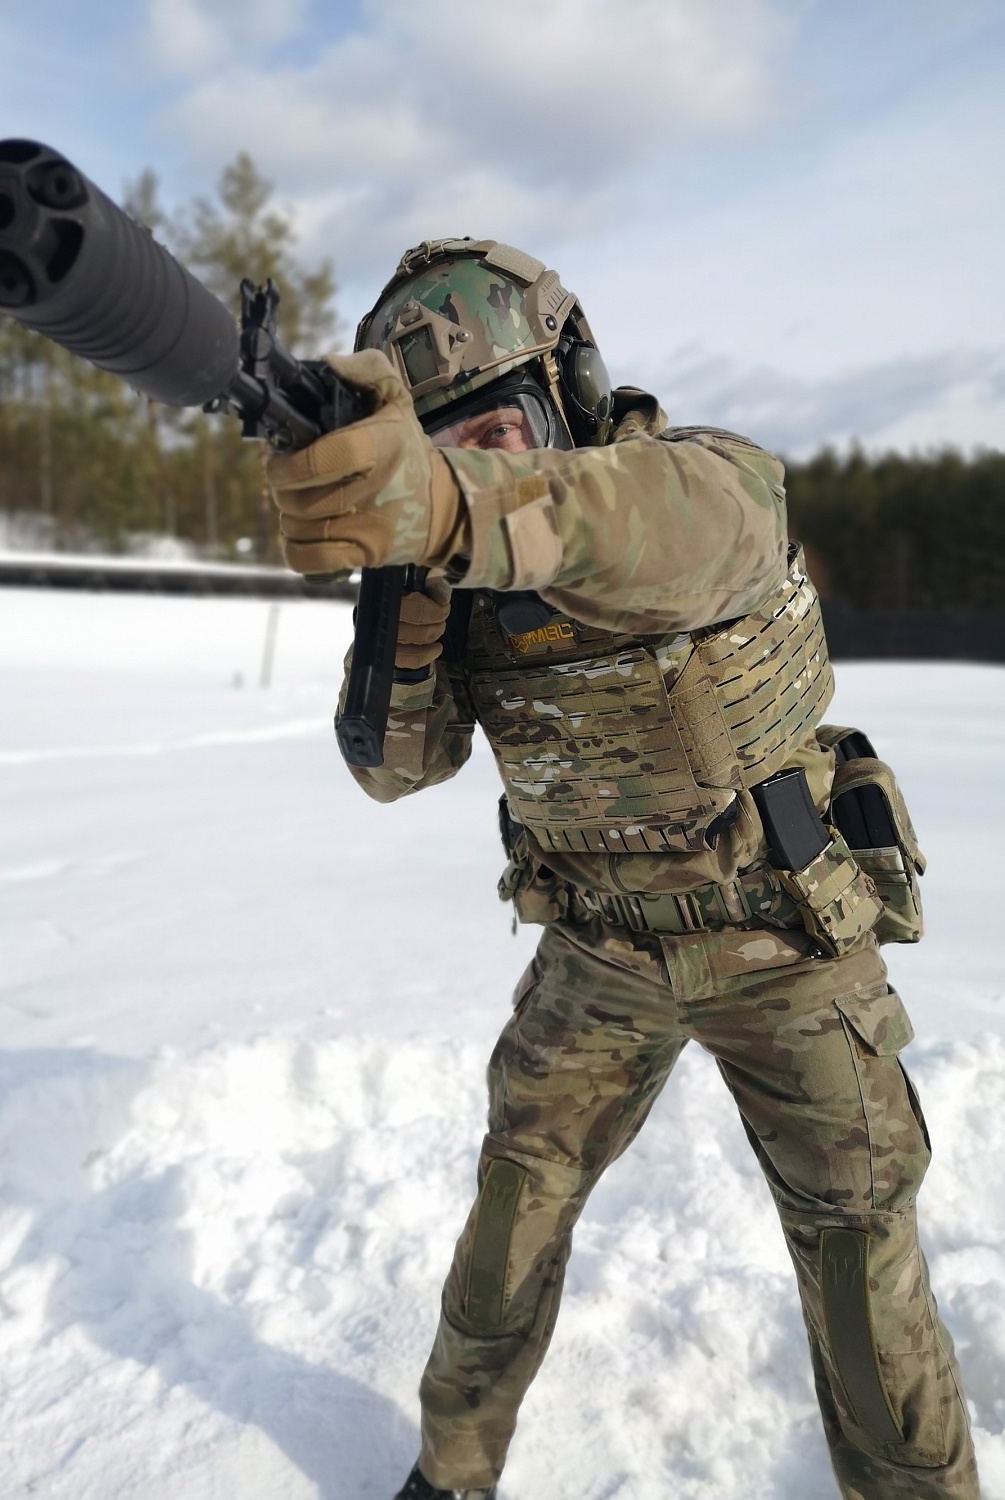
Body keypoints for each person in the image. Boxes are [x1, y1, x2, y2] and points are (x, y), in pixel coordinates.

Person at [265, 238, 979, 1500]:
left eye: (497, 428)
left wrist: (452, 505)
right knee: (511, 1221)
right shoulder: (454, 566)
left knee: (863, 1262)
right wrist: (406, 579)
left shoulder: (700, 486)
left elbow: (660, 531)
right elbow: (395, 768)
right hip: (599, 948)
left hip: (782, 941)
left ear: (569, 385)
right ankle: (451, 1473)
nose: (483, 464)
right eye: (445, 444)